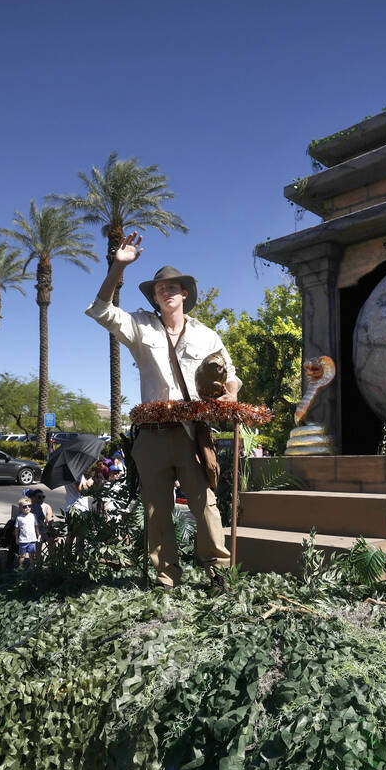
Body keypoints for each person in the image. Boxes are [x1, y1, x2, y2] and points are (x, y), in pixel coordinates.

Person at [85, 232, 239, 591]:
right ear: (154, 297)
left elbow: (230, 376)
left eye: (173, 287)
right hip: (152, 437)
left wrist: (230, 395)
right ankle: (166, 577)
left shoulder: (207, 336)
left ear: (184, 293)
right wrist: (117, 267)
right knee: (157, 513)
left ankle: (217, 572)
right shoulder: (141, 327)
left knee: (205, 507)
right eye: (159, 289)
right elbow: (102, 310)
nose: (166, 292)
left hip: (192, 434)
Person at [15, 497, 39, 567]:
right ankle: (20, 569)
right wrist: (16, 538)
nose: (27, 508)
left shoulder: (33, 516)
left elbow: (36, 526)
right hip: (23, 540)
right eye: (25, 506)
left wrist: (39, 534)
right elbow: (16, 529)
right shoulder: (19, 518)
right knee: (22, 556)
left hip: (32, 540)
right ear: (20, 508)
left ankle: (32, 569)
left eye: (29, 506)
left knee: (32, 556)